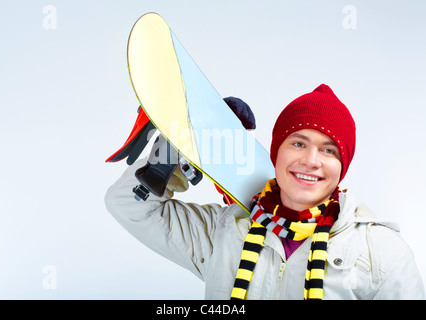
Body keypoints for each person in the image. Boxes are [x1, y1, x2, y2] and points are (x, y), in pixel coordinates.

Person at [105, 84, 425, 299]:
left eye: (329, 150)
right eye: (298, 143)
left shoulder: (382, 253)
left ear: (343, 167)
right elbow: (127, 206)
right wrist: (168, 158)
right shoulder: (223, 232)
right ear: (276, 154)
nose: (311, 160)